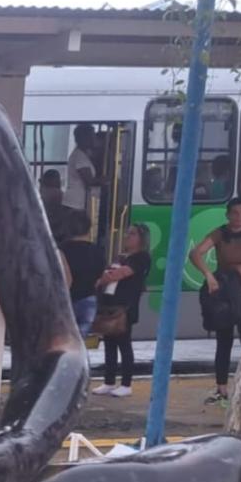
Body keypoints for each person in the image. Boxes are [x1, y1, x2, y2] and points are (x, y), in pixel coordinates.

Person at [189, 198, 241, 403]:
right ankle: (221, 389)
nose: (238, 217)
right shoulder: (221, 233)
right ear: (228, 215)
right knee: (224, 341)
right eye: (234, 213)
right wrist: (208, 275)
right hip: (227, 293)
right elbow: (195, 253)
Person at [94, 225, 152, 397]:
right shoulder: (121, 256)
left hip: (125, 306)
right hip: (109, 303)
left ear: (141, 238)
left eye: (132, 234)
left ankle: (126, 384)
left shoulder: (141, 257)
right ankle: (109, 381)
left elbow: (118, 274)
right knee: (109, 343)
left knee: (124, 343)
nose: (127, 236)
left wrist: (104, 277)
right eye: (127, 233)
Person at [60, 211, 105, 337]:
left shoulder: (61, 249)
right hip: (89, 300)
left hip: (68, 301)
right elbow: (99, 278)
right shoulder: (97, 251)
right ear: (89, 228)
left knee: (67, 340)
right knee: (80, 339)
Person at [63, 124, 99, 211]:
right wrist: (107, 179)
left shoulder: (83, 154)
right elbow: (89, 181)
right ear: (84, 138)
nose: (94, 139)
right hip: (75, 203)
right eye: (92, 136)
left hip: (77, 202)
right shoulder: (79, 156)